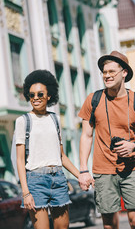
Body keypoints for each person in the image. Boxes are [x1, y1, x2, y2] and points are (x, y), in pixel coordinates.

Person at [78, 51, 135, 229]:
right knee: (109, 225)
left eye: (112, 71)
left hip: (132, 168)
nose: (107, 76)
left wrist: (134, 145)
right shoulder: (93, 100)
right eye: (104, 72)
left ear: (124, 73)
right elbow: (86, 135)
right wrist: (83, 169)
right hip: (103, 170)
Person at [16, 69, 79, 229]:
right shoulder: (23, 121)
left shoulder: (55, 119)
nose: (35, 98)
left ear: (49, 95)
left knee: (63, 227)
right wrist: (26, 192)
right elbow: (20, 159)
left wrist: (80, 176)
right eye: (31, 95)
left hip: (58, 179)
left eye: (40, 94)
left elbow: (61, 156)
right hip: (35, 182)